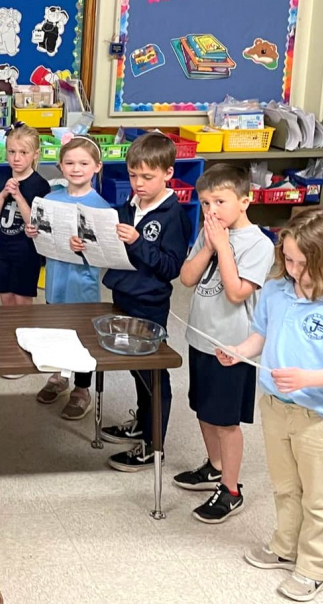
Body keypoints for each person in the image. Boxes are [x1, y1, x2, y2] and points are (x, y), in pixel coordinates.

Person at [220, 208, 323, 602]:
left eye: (303, 262)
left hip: (316, 418)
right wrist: (238, 351)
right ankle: (285, 546)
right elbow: (260, 335)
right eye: (288, 258)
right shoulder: (276, 291)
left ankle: (315, 569)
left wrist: (307, 379)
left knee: (317, 496)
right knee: (285, 487)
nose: (294, 268)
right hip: (275, 407)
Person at [176, 164, 274, 522]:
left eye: (220, 201)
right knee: (203, 409)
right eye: (204, 203)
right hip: (200, 337)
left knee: (226, 421)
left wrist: (222, 247)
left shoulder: (259, 244)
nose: (211, 211)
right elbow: (187, 278)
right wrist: (209, 244)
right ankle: (215, 467)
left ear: (245, 200)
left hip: (232, 348)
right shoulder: (210, 233)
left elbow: (236, 293)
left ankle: (231, 490)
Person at [99, 132, 192, 471]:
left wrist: (137, 242)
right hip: (122, 294)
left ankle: (154, 447)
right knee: (136, 370)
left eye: (147, 177)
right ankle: (142, 423)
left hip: (149, 302)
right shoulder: (128, 206)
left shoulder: (172, 215)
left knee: (153, 374)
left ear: (168, 173)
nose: (138, 183)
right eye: (133, 175)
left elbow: (170, 267)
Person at [28, 136, 107, 420]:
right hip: (55, 280)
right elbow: (42, 234)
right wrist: (34, 233)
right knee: (56, 329)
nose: (76, 169)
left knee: (82, 336)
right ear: (60, 166)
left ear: (96, 166)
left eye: (84, 163)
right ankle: (60, 377)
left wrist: (86, 247)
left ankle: (82, 388)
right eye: (70, 163)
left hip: (82, 285)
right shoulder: (50, 199)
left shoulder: (100, 206)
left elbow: (106, 252)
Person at [0, 123, 50, 307]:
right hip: (2, 250)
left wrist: (18, 197)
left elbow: (35, 223)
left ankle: (24, 332)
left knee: (22, 300)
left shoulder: (40, 185)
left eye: (23, 153)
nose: (16, 158)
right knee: (6, 297)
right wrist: (3, 194)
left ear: (35, 154)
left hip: (27, 252)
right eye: (12, 152)